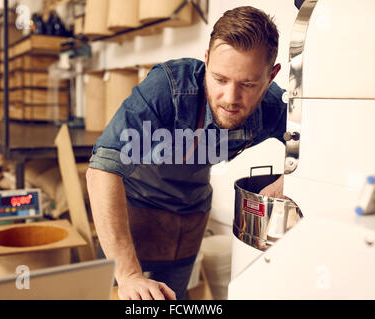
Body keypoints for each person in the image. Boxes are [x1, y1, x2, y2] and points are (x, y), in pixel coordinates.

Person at [86, 5, 286, 300]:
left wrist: (283, 182)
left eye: (247, 84)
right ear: (206, 61)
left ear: (271, 77)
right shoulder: (167, 88)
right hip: (133, 214)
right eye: (219, 79)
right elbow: (102, 169)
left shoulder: (272, 106)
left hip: (189, 220)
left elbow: (319, 147)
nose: (230, 99)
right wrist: (129, 274)